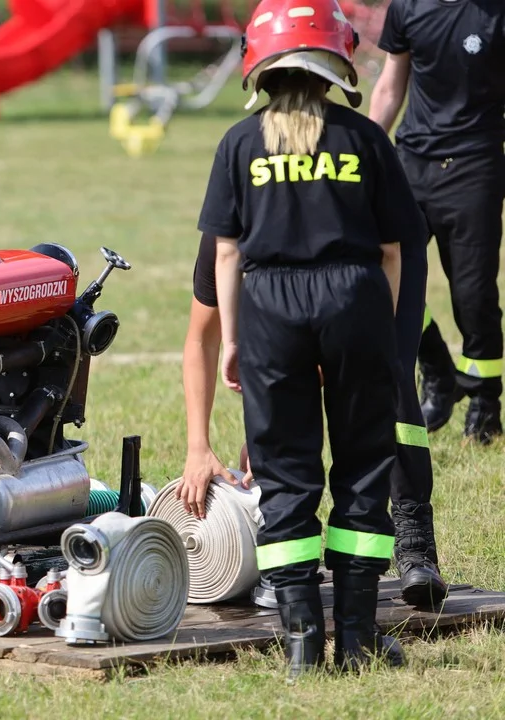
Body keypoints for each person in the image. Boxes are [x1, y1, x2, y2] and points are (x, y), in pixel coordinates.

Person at [195, 0, 427, 678]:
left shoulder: (239, 145)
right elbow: (393, 252)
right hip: (354, 298)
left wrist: (236, 339)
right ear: (337, 63)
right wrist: (376, 330)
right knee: (361, 467)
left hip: (269, 307)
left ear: (259, 68)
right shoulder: (365, 139)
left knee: (284, 474)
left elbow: (227, 256)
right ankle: (355, 637)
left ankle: (301, 644)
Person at [180, 226, 448, 611]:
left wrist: (275, 428)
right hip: (319, 276)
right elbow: (201, 339)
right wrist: (198, 447)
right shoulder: (230, 232)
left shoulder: (333, 216)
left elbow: (344, 347)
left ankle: (414, 542)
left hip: (383, 251)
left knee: (387, 378)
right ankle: (287, 559)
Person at [368, 0, 505, 445]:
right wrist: (368, 151)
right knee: (383, 278)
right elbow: (391, 86)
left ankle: (485, 405)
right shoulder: (407, 8)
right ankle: (438, 370)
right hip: (411, 164)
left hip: (474, 168)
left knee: (474, 295)